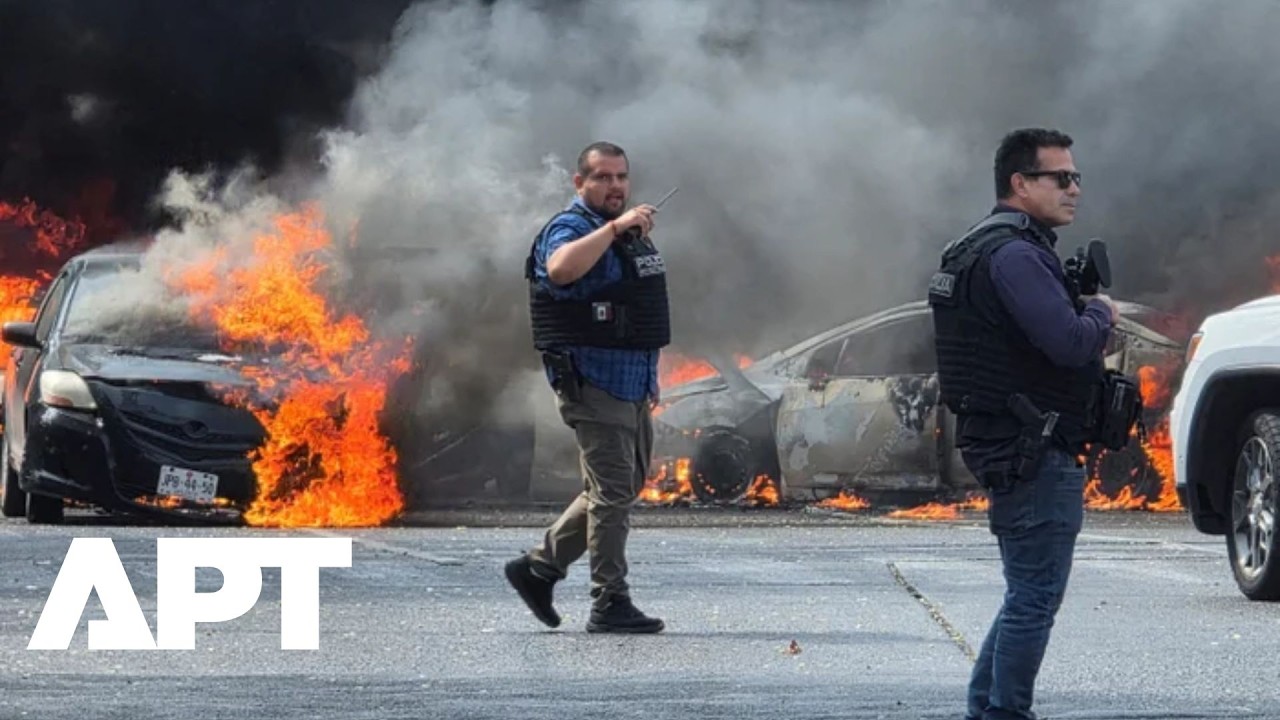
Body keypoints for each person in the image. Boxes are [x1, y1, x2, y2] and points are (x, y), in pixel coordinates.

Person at [926, 128, 1119, 720]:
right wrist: (1101, 314)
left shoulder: (981, 247)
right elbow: (1069, 343)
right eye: (1061, 177)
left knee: (1025, 596)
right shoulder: (1015, 255)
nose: (1074, 189)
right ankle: (1006, 713)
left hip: (1014, 443)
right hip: (1035, 449)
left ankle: (987, 709)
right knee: (1035, 599)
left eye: (1076, 177)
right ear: (1020, 183)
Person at [506, 141, 668, 634]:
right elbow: (560, 270)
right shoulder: (571, 227)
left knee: (618, 488)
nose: (615, 186)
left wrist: (650, 377)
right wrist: (615, 229)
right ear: (580, 183)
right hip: (593, 381)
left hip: (630, 382)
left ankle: (539, 568)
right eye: (602, 177)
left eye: (621, 177)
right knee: (612, 493)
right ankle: (609, 600)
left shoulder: (627, 234)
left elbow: (636, 308)